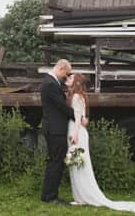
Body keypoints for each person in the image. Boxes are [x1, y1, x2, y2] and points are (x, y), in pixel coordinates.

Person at [65, 73, 135, 212]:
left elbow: (78, 117)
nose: (67, 79)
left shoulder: (77, 97)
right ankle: (80, 196)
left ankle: (84, 196)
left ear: (76, 82)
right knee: (77, 164)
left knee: (79, 165)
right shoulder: (78, 96)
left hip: (76, 132)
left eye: (70, 78)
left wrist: (75, 135)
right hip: (76, 130)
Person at [40, 59, 87, 204]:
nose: (66, 77)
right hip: (55, 130)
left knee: (54, 162)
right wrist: (79, 118)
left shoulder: (51, 82)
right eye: (66, 74)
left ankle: (47, 195)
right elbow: (62, 106)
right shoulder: (50, 84)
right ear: (60, 68)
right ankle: (51, 197)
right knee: (56, 163)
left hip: (54, 128)